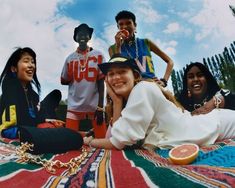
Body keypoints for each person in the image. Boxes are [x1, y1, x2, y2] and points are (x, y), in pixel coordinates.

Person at [83, 54, 235, 150]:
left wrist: (88, 141)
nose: (115, 77)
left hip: (221, 124)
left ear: (135, 76)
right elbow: (115, 137)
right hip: (213, 125)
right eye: (111, 74)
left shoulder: (141, 89)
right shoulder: (127, 102)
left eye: (122, 72)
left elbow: (117, 142)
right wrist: (116, 102)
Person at [0, 47, 62, 139]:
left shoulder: (33, 95)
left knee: (56, 94)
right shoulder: (10, 90)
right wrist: (37, 131)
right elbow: (7, 130)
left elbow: (35, 117)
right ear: (14, 69)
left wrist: (47, 120)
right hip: (28, 127)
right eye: (26, 61)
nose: (31, 65)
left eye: (33, 62)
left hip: (37, 119)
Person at [108, 10, 174, 87]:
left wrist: (164, 81)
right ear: (118, 27)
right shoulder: (112, 49)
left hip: (152, 86)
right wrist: (118, 46)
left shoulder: (146, 42)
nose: (125, 26)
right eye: (121, 24)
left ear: (135, 25)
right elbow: (117, 70)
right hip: (130, 89)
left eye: (128, 23)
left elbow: (170, 61)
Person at [61, 23, 105, 136]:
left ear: (89, 37)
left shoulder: (98, 55)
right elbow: (64, 80)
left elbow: (101, 82)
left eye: (86, 34)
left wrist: (100, 107)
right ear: (75, 38)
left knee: (101, 137)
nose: (82, 36)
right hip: (74, 105)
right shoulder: (70, 58)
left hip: (94, 106)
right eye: (79, 34)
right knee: (69, 140)